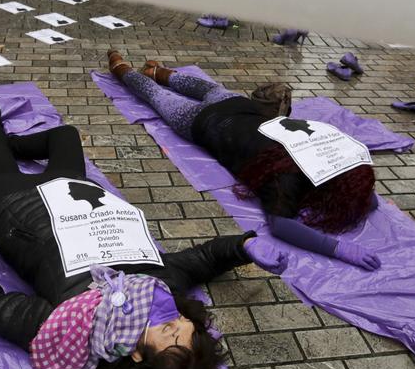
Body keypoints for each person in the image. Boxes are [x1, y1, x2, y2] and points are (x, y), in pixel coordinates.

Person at [0, 71, 258, 369]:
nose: (174, 321)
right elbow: (203, 259)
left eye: (169, 334)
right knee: (65, 135)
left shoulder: (70, 328)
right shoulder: (161, 288)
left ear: (139, 356)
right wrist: (244, 245)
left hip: (14, 207)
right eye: (182, 323)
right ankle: (15, 144)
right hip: (75, 193)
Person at [107, 50, 382, 271]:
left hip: (238, 106)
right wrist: (338, 248)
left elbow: (366, 195)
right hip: (203, 122)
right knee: (156, 96)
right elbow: (281, 225)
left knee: (205, 87)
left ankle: (155, 71)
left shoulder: (322, 148)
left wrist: (357, 191)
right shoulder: (286, 177)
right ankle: (124, 69)